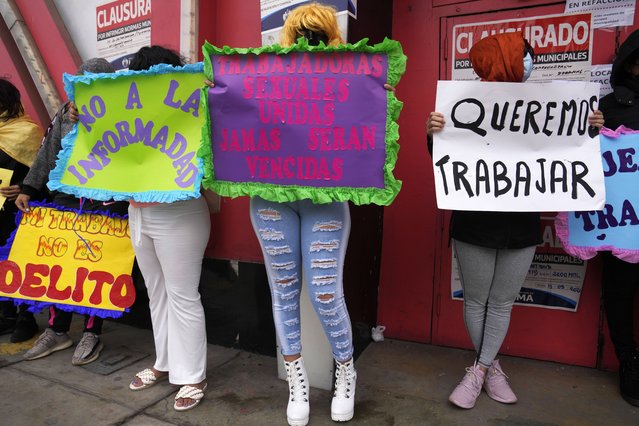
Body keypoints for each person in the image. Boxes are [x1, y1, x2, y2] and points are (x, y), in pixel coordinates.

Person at [426, 33, 604, 409]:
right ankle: (487, 370)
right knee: (476, 301)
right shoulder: (463, 105)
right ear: (500, 59)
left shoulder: (544, 105)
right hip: (474, 223)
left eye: (528, 57)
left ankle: (480, 369)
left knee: (502, 302)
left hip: (521, 224)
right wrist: (435, 134)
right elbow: (446, 160)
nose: (528, 64)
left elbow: (567, 147)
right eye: (521, 56)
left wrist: (588, 128)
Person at [244, 3, 394, 424]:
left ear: (332, 36)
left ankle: (346, 369)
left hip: (325, 197)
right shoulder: (264, 75)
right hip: (270, 196)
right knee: (284, 291)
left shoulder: (350, 78)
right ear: (288, 35)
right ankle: (297, 380)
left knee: (326, 294)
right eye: (302, 32)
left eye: (319, 33)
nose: (309, 41)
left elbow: (368, 127)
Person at [15, 58, 128, 365]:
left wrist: (99, 120)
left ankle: (93, 333)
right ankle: (57, 330)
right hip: (64, 200)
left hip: (103, 203)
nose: (88, 92)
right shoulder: (65, 112)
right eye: (82, 86)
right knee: (59, 265)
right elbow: (47, 153)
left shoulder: (126, 111)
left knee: (96, 269)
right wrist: (28, 189)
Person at [124, 45, 211, 412]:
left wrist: (208, 93)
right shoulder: (125, 111)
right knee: (156, 292)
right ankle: (165, 362)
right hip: (137, 213)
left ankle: (194, 375)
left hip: (179, 214)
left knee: (182, 294)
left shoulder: (195, 105)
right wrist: (81, 116)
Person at [597, 29, 639, 407]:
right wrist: (591, 129)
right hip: (622, 226)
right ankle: (629, 360)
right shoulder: (608, 106)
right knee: (620, 295)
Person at [0, 78, 42, 342]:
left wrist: (24, 187)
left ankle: (27, 317)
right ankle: (6, 315)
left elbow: (45, 170)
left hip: (19, 211)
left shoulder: (27, 131)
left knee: (21, 262)